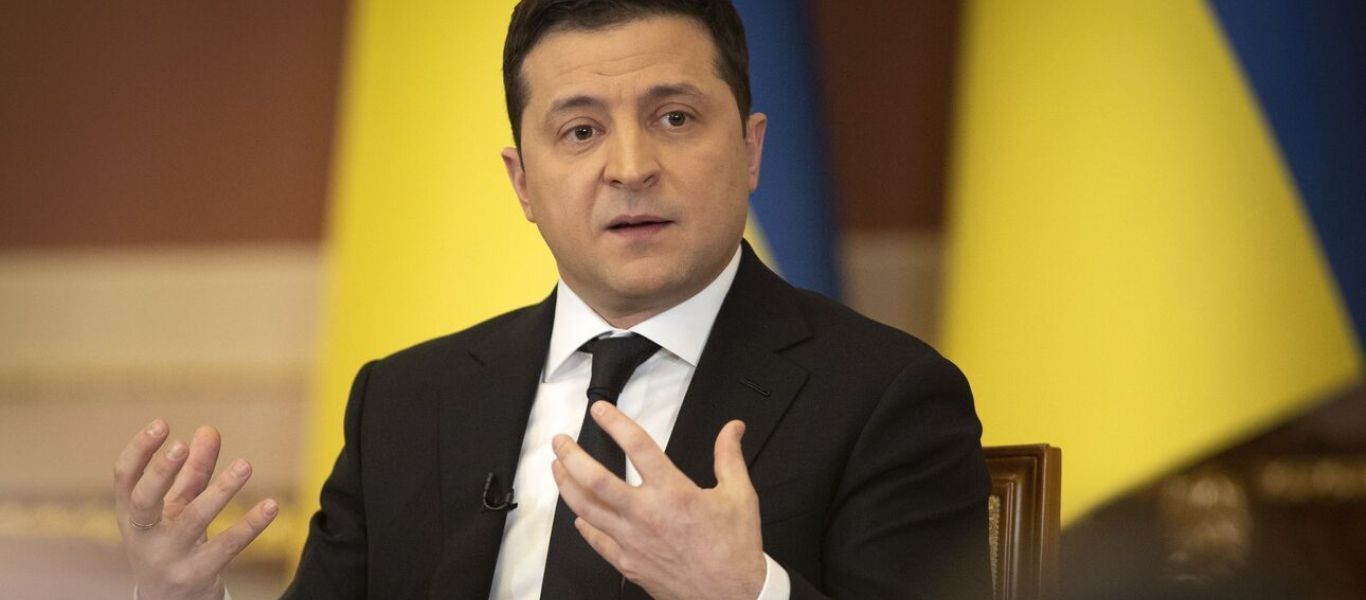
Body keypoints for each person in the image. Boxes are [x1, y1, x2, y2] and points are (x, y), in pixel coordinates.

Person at [111, 1, 992, 598]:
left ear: (752, 150)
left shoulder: (884, 397)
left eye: (675, 117)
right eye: (580, 131)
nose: (631, 167)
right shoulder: (405, 403)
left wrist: (747, 593)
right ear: (523, 182)